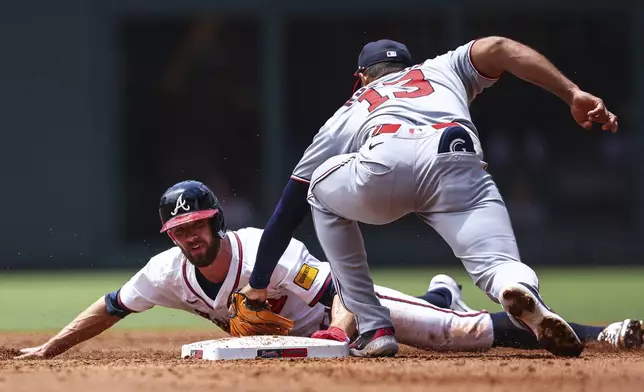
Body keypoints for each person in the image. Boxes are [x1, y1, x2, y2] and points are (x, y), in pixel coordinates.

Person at [237, 36, 619, 358]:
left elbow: (289, 208)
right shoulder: (441, 68)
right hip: (458, 156)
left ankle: (372, 327)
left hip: (387, 163)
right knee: (498, 264)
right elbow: (501, 47)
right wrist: (571, 92)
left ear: (361, 78)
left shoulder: (350, 109)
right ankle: (513, 286)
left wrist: (258, 284)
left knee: (319, 186)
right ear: (409, 65)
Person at [16, 181, 640, 360]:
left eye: (198, 225)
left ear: (216, 220)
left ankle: (598, 334)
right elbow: (112, 306)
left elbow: (343, 288)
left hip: (345, 312)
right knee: (444, 320)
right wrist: (49, 349)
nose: (191, 236)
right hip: (311, 336)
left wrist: (342, 333)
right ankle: (438, 293)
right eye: (179, 231)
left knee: (458, 336)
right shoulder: (164, 271)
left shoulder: (266, 249)